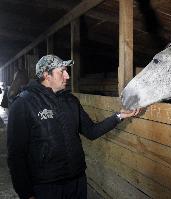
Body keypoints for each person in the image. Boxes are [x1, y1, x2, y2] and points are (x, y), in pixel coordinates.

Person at [7, 55, 139, 199]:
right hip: (46, 187)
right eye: (62, 71)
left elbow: (92, 131)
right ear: (46, 75)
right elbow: (16, 154)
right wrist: (25, 193)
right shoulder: (23, 104)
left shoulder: (70, 101)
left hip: (77, 181)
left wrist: (118, 116)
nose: (67, 75)